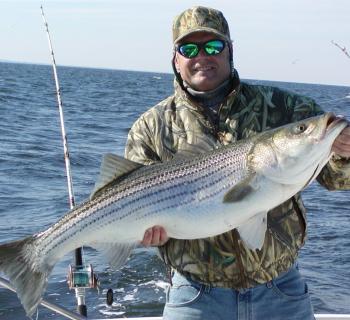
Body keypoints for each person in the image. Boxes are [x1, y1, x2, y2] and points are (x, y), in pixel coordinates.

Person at [125, 6, 350, 320]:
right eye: (189, 48)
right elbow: (128, 206)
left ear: (230, 50)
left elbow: (337, 179)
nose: (202, 55)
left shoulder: (285, 108)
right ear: (176, 59)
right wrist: (141, 233)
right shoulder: (151, 127)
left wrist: (343, 152)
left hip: (281, 291)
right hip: (195, 296)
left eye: (214, 46)